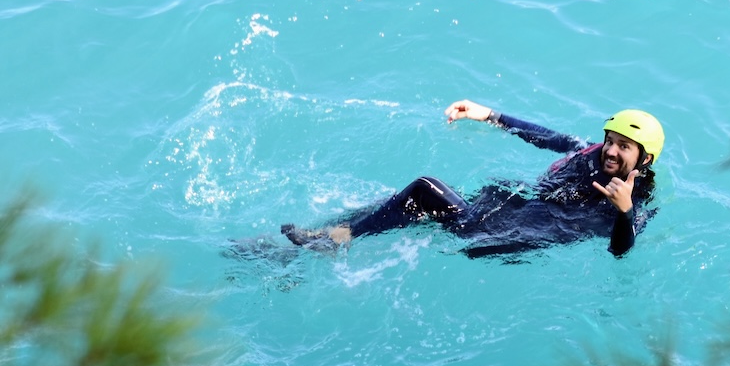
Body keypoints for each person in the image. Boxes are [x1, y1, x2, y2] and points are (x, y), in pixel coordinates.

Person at [278, 104, 665, 259]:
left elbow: (620, 251)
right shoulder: (591, 155)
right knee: (400, 204)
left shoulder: (635, 202)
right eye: (610, 141)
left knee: (423, 190)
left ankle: (338, 239)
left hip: (504, 234)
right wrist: (490, 115)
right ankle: (318, 240)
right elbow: (551, 138)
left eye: (624, 147)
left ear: (644, 159)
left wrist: (624, 212)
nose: (611, 151)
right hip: (507, 209)